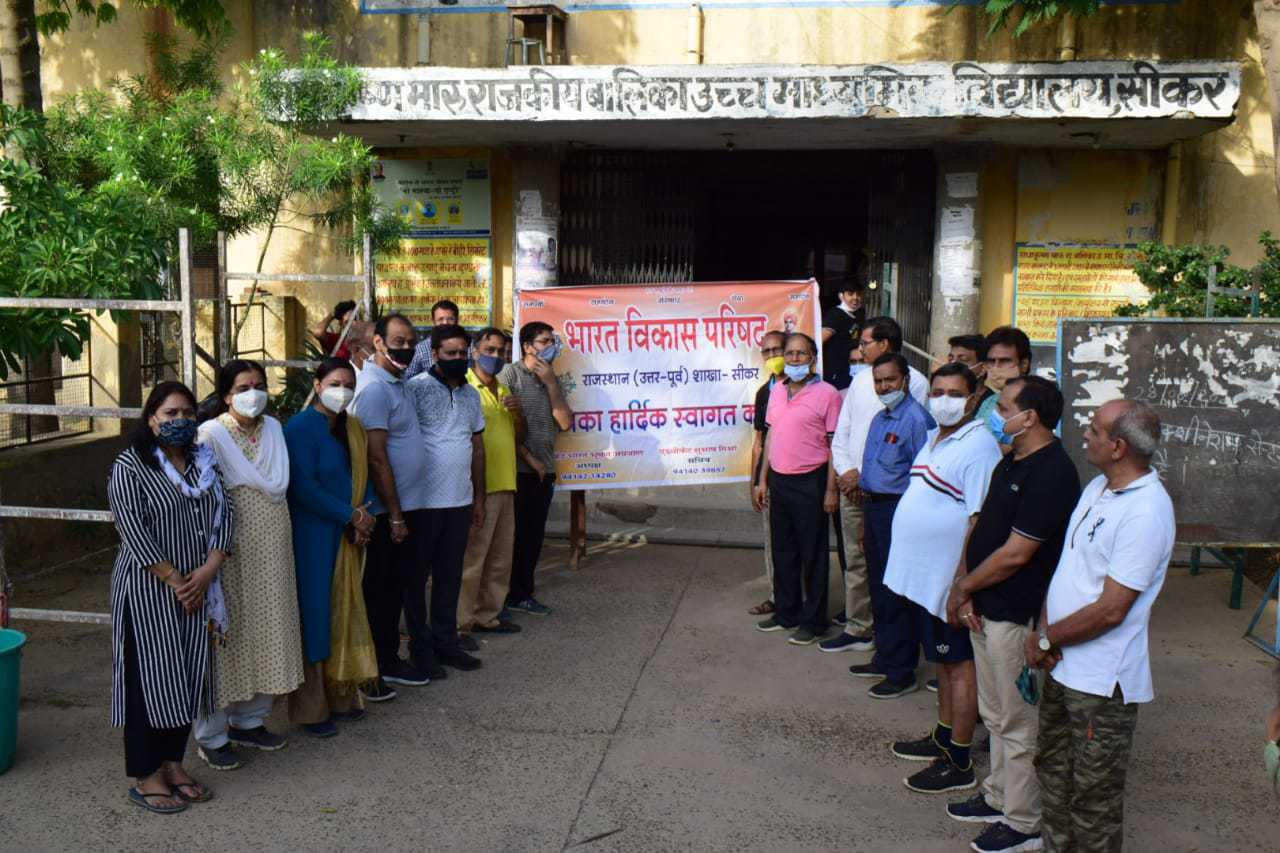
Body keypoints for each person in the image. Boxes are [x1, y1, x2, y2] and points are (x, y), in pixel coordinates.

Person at [942, 376, 1081, 853]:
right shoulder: (1013, 460)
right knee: (996, 713)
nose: (994, 415)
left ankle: (1024, 823)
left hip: (1015, 613)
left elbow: (1018, 553)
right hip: (985, 606)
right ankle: (999, 795)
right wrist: (966, 589)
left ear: (1031, 417)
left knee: (1019, 723)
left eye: (1002, 407)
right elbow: (982, 527)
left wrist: (964, 585)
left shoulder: (1052, 472)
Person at [1029, 399, 1174, 853]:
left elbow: (1113, 609)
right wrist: (1045, 632)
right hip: (1061, 664)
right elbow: (1069, 571)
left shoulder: (1146, 512)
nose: (1084, 435)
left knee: (1093, 801)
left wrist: (1049, 638)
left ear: (1119, 447)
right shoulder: (1098, 487)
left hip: (1100, 682)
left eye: (1094, 430)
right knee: (1052, 774)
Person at [108, 381, 232, 814]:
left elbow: (224, 513)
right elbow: (133, 532)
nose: (180, 421)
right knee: (151, 679)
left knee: (187, 675)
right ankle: (146, 776)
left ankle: (173, 763)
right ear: (151, 419)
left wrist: (209, 569)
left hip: (200, 585)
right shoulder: (130, 467)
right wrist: (180, 581)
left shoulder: (204, 461)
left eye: (187, 413)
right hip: (150, 591)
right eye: (170, 414)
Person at [884, 363, 1001, 794]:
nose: (944, 400)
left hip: (949, 584)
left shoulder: (980, 446)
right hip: (923, 580)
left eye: (955, 393)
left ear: (973, 399)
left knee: (960, 666)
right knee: (943, 662)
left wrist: (962, 583)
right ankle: (943, 733)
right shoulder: (935, 438)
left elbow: (979, 519)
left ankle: (960, 759)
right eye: (937, 392)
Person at [192, 360, 304, 770]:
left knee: (269, 628)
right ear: (226, 394)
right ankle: (213, 734)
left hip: (273, 548)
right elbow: (203, 496)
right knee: (226, 637)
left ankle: (250, 720)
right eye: (243, 386)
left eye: (258, 385)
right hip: (228, 552)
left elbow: (279, 485)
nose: (252, 392)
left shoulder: (273, 428)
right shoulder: (210, 434)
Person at [284, 358, 380, 737]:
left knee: (346, 611)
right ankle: (311, 709)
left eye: (349, 384)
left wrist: (365, 517)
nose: (343, 390)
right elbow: (302, 487)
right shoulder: (301, 427)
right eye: (335, 382)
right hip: (315, 535)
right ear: (318, 384)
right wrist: (349, 516)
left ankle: (342, 695)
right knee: (317, 615)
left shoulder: (353, 427)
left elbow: (363, 476)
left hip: (350, 532)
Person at [824, 316, 928, 654]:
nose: (860, 349)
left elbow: (915, 448)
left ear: (884, 344)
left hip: (890, 495)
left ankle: (893, 641)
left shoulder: (918, 386)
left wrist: (870, 478)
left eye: (865, 342)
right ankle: (859, 627)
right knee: (855, 560)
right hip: (853, 483)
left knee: (889, 569)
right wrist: (847, 472)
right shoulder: (860, 381)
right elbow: (844, 431)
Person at [351, 313, 439, 691]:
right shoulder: (374, 389)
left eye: (410, 341)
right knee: (384, 591)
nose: (405, 348)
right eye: (398, 341)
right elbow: (376, 457)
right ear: (378, 343)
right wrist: (398, 516)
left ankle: (389, 657)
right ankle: (383, 662)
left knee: (400, 586)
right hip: (390, 512)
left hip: (407, 507)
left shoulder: (397, 382)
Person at [846, 353, 934, 697]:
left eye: (890, 381)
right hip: (874, 508)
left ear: (906, 381)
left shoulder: (917, 420)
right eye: (879, 381)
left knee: (897, 591)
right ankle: (885, 655)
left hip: (901, 511)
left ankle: (901, 670)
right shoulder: (881, 418)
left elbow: (924, 476)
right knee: (880, 589)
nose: (884, 387)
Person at [406, 324, 487, 671]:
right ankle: (419, 650)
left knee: (450, 576)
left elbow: (477, 447)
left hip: (460, 500)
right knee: (414, 579)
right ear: (435, 353)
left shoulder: (471, 395)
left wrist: (479, 498)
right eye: (450, 353)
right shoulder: (416, 389)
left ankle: (446, 643)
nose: (458, 359)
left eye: (462, 353)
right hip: (423, 504)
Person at [753, 332, 842, 645]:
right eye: (790, 354)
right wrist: (762, 480)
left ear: (813, 358)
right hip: (779, 479)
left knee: (813, 555)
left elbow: (835, 446)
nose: (793, 359)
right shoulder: (776, 390)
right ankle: (786, 612)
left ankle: (814, 621)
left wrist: (831, 490)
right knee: (784, 551)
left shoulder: (829, 394)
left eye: (801, 354)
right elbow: (772, 436)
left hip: (812, 480)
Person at [499, 322, 573, 616]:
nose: (551, 345)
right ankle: (503, 595)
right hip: (517, 470)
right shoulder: (510, 375)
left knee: (532, 537)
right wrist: (529, 457)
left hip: (546, 470)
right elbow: (500, 424)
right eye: (544, 341)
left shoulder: (554, 378)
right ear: (528, 347)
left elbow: (565, 422)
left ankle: (521, 594)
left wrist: (552, 384)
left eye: (552, 340)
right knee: (511, 538)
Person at [458, 328, 525, 637]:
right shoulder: (466, 389)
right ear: (475, 351)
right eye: (490, 349)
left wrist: (520, 415)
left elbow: (518, 439)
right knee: (473, 560)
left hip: (507, 483)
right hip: (479, 488)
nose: (496, 356)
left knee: (500, 559)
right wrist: (476, 495)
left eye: (502, 351)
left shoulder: (504, 390)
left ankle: (489, 615)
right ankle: (461, 623)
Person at [748, 329, 787, 616]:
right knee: (772, 542)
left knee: (798, 543)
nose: (772, 357)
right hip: (769, 481)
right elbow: (759, 442)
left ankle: (802, 600)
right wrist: (754, 482)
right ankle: (777, 597)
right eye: (767, 352)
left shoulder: (806, 388)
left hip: (800, 478)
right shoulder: (764, 393)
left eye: (777, 350)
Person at [976, 326, 1032, 449]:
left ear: (1023, 364)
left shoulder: (1038, 401)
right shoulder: (989, 402)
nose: (996, 367)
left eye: (1004, 361)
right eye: (991, 361)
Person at [821, 284, 865, 390]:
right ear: (841, 296)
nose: (855, 297)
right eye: (850, 294)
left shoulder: (858, 314)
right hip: (834, 371)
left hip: (850, 368)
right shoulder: (835, 315)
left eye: (858, 294)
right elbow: (819, 340)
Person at [405, 299, 460, 381]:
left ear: (457, 321)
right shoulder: (420, 349)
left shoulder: (469, 347)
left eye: (450, 319)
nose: (445, 323)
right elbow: (408, 380)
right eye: (440, 319)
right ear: (433, 322)